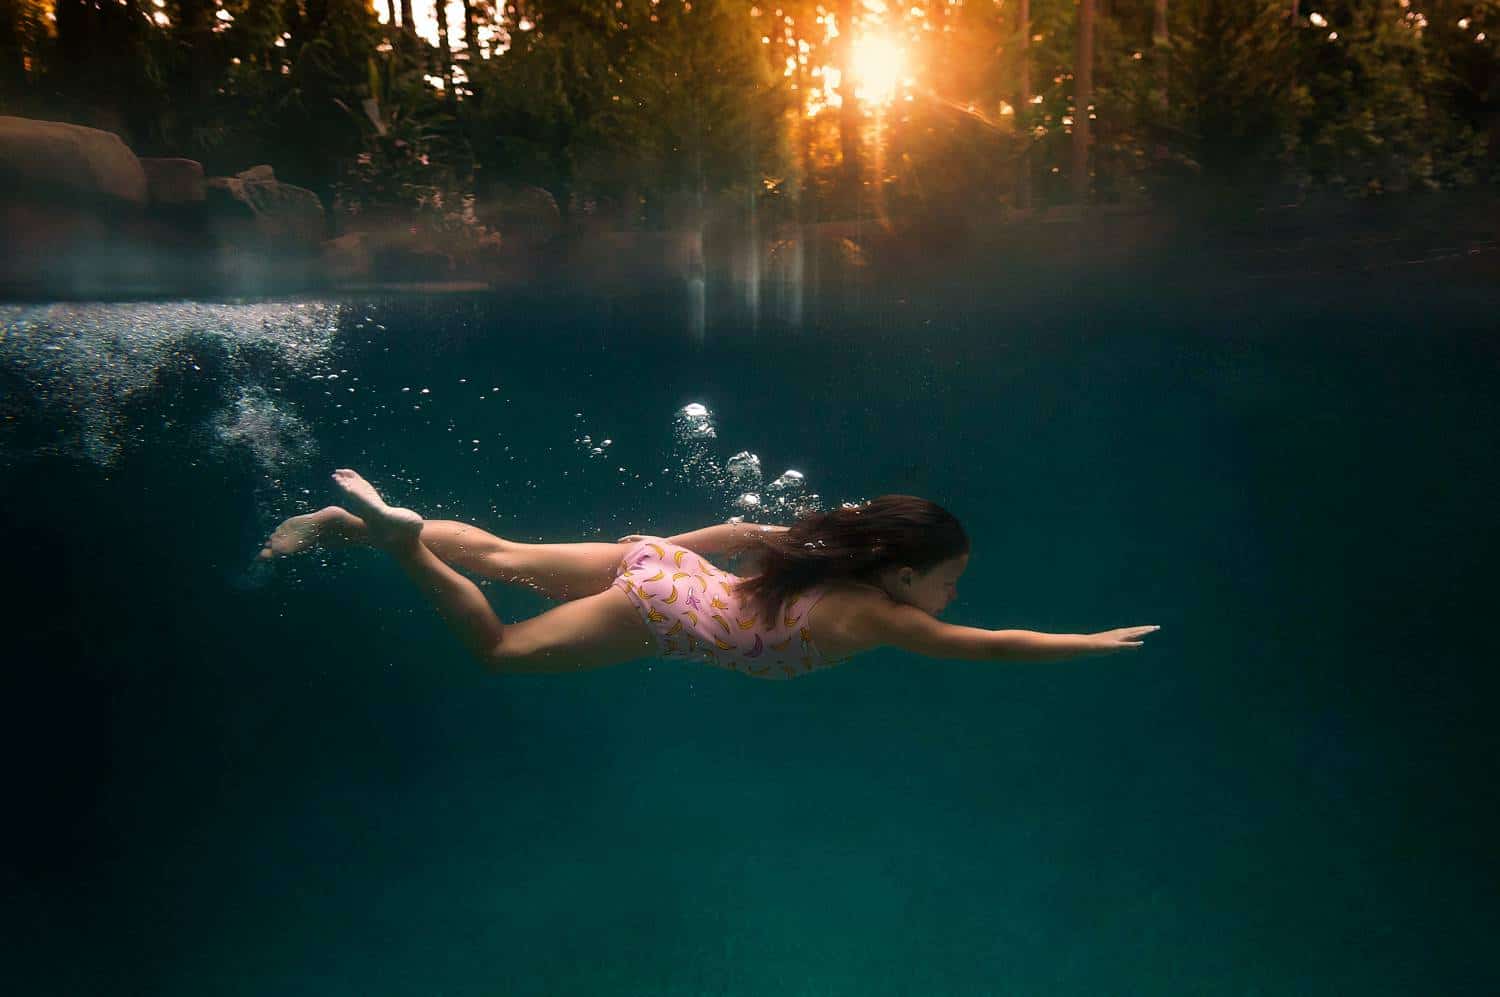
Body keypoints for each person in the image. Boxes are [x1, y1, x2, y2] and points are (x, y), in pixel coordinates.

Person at [259, 468, 1161, 678]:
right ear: (903, 574)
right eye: (947, 579)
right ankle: (400, 542)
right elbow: (991, 646)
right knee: (496, 650)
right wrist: (1085, 641)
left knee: (498, 552)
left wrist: (693, 533)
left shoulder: (824, 552)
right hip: (658, 612)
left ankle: (341, 522)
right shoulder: (876, 613)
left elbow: (735, 529)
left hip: (664, 561)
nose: (953, 596)